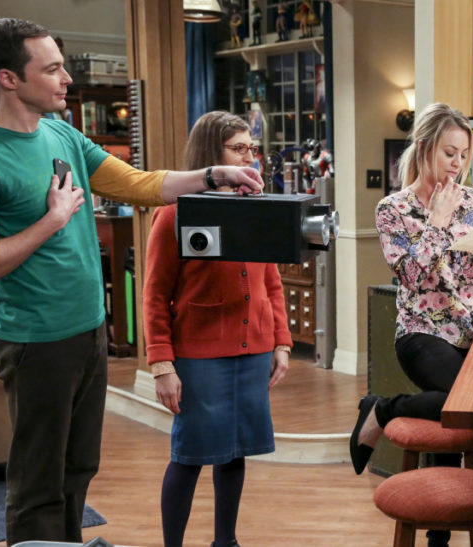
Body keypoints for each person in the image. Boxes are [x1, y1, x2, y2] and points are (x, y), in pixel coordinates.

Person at [0, 19, 263, 545]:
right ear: (8, 79)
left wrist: (213, 176)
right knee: (39, 483)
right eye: (52, 69)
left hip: (89, 330)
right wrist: (52, 221)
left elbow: (138, 184)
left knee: (77, 471)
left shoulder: (61, 134)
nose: (66, 78)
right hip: (34, 341)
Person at [352, 103, 473, 546]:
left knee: (471, 406)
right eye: (449, 153)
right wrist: (438, 223)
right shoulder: (393, 209)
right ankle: (384, 412)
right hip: (423, 330)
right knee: (460, 401)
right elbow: (411, 276)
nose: (457, 164)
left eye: (463, 155)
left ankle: (383, 409)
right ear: (424, 148)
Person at [143, 111, 292, 547]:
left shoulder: (256, 209)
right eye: (238, 148)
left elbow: (271, 281)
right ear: (213, 152)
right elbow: (154, 295)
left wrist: (282, 342)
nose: (249, 156)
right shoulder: (173, 215)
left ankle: (226, 542)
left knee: (235, 452)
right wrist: (161, 364)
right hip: (199, 357)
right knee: (189, 455)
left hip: (254, 350)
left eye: (252, 148)